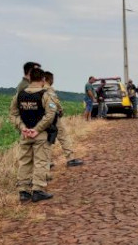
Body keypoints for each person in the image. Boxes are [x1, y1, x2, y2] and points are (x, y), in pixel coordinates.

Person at [9, 68, 56, 203]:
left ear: (29, 79)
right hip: (40, 135)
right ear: (42, 80)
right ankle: (37, 190)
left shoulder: (19, 95)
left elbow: (13, 114)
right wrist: (37, 129)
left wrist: (23, 128)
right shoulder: (45, 95)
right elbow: (50, 115)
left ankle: (23, 192)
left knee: (25, 162)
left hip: (25, 135)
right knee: (41, 161)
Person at [43, 71, 84, 167]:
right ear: (49, 79)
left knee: (47, 139)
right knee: (63, 136)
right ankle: (70, 158)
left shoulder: (39, 88)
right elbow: (55, 102)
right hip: (53, 116)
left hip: (43, 118)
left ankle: (47, 162)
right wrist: (60, 110)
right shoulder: (49, 89)